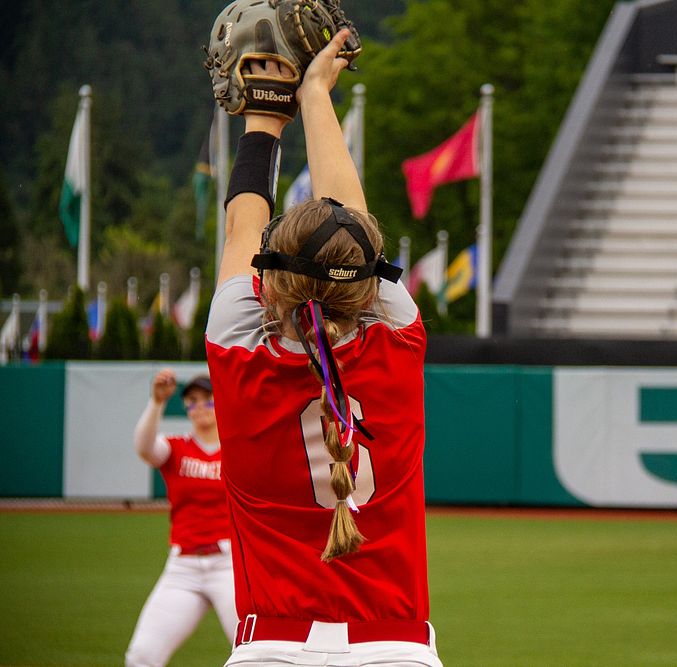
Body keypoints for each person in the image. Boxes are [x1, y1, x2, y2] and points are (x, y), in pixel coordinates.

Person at [205, 29, 442, 667]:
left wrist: (262, 116)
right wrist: (313, 96)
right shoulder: (396, 337)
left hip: (271, 646)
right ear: (364, 285)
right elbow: (351, 229)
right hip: (395, 646)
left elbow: (241, 223)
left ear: (271, 288)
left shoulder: (238, 351)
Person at [125, 370, 237, 667]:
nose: (199, 407)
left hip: (231, 566)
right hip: (182, 567)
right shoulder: (176, 447)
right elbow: (144, 448)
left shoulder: (238, 450)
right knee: (142, 656)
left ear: (221, 403)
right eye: (192, 402)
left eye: (207, 401)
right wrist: (157, 402)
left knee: (252, 652)